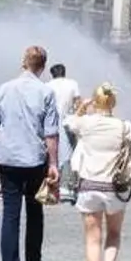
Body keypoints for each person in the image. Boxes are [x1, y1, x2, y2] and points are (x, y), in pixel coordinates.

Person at [0, 46, 61, 261]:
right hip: (34, 160)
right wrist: (54, 164)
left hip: (8, 158)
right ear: (42, 66)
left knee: (10, 214)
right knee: (35, 211)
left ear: (23, 63)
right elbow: (51, 133)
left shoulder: (5, 88)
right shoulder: (46, 92)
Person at [67, 83, 131, 261]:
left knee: (92, 240)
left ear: (95, 101)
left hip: (88, 187)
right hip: (115, 188)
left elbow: (69, 123)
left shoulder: (85, 124)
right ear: (113, 103)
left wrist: (83, 108)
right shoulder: (124, 126)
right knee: (114, 233)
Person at [48, 64, 82, 203]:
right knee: (72, 153)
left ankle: (54, 185)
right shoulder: (72, 83)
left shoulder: (47, 85)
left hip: (51, 123)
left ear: (52, 74)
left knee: (53, 153)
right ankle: (69, 186)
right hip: (69, 122)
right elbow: (78, 102)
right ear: (64, 73)